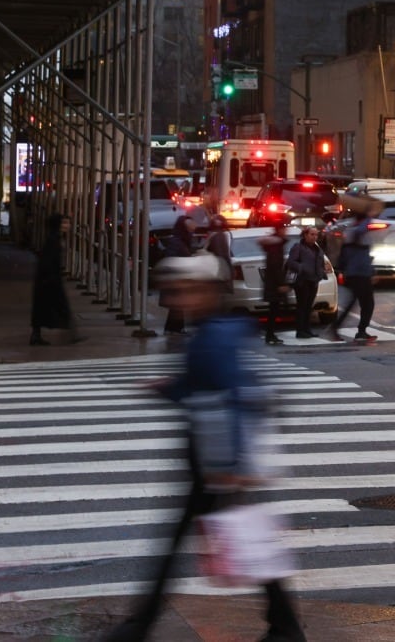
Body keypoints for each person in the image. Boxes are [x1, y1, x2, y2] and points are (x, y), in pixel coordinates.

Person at [102, 254, 306, 642]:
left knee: (213, 539)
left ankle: (138, 628)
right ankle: (284, 628)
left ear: (208, 293)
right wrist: (169, 387)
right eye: (175, 292)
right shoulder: (212, 332)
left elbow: (227, 397)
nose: (178, 299)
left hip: (215, 460)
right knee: (237, 536)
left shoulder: (212, 337)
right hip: (211, 455)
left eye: (186, 291)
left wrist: (230, 464)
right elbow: (206, 388)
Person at [327, 198, 379, 343]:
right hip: (357, 272)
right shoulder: (355, 231)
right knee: (364, 302)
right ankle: (342, 328)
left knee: (363, 302)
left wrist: (372, 271)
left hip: (360, 271)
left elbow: (365, 254)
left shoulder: (354, 229)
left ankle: (359, 330)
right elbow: (362, 231)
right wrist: (370, 215)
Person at [30, 213, 81, 346]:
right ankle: (72, 334)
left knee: (43, 308)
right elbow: (49, 261)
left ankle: (37, 335)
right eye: (64, 223)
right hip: (50, 279)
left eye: (67, 223)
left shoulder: (54, 238)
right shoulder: (54, 240)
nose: (67, 226)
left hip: (47, 279)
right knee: (62, 306)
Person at [285, 226, 326, 339]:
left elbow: (320, 262)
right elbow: (291, 262)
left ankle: (307, 329)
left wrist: (321, 272)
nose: (314, 237)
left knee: (309, 306)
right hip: (302, 281)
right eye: (312, 234)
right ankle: (300, 330)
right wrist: (302, 267)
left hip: (314, 280)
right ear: (305, 235)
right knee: (302, 306)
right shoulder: (298, 247)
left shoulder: (317, 248)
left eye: (316, 234)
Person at [162, 215, 198, 335]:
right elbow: (172, 258)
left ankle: (174, 327)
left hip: (178, 277)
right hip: (175, 277)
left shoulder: (183, 240)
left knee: (177, 304)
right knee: (177, 304)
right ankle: (175, 328)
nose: (192, 230)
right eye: (190, 228)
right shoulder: (177, 242)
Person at [257, 222, 290, 346]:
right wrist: (281, 283)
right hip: (274, 284)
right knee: (273, 310)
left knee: (274, 310)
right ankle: (270, 335)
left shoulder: (276, 244)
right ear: (279, 230)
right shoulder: (276, 246)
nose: (286, 231)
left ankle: (270, 334)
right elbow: (275, 266)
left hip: (272, 283)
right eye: (284, 228)